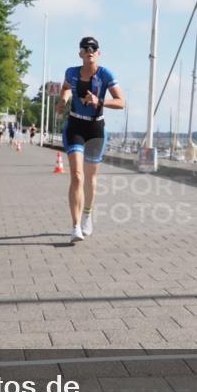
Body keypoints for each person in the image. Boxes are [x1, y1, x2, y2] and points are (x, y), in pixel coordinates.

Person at [55, 36, 125, 243]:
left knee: (90, 179)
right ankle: (75, 226)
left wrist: (100, 100)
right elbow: (66, 88)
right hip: (75, 125)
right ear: (80, 53)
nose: (89, 50)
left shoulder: (105, 74)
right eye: (85, 48)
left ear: (98, 53)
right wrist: (63, 101)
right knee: (77, 176)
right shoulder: (71, 72)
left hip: (95, 128)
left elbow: (121, 102)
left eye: (93, 48)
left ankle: (87, 213)